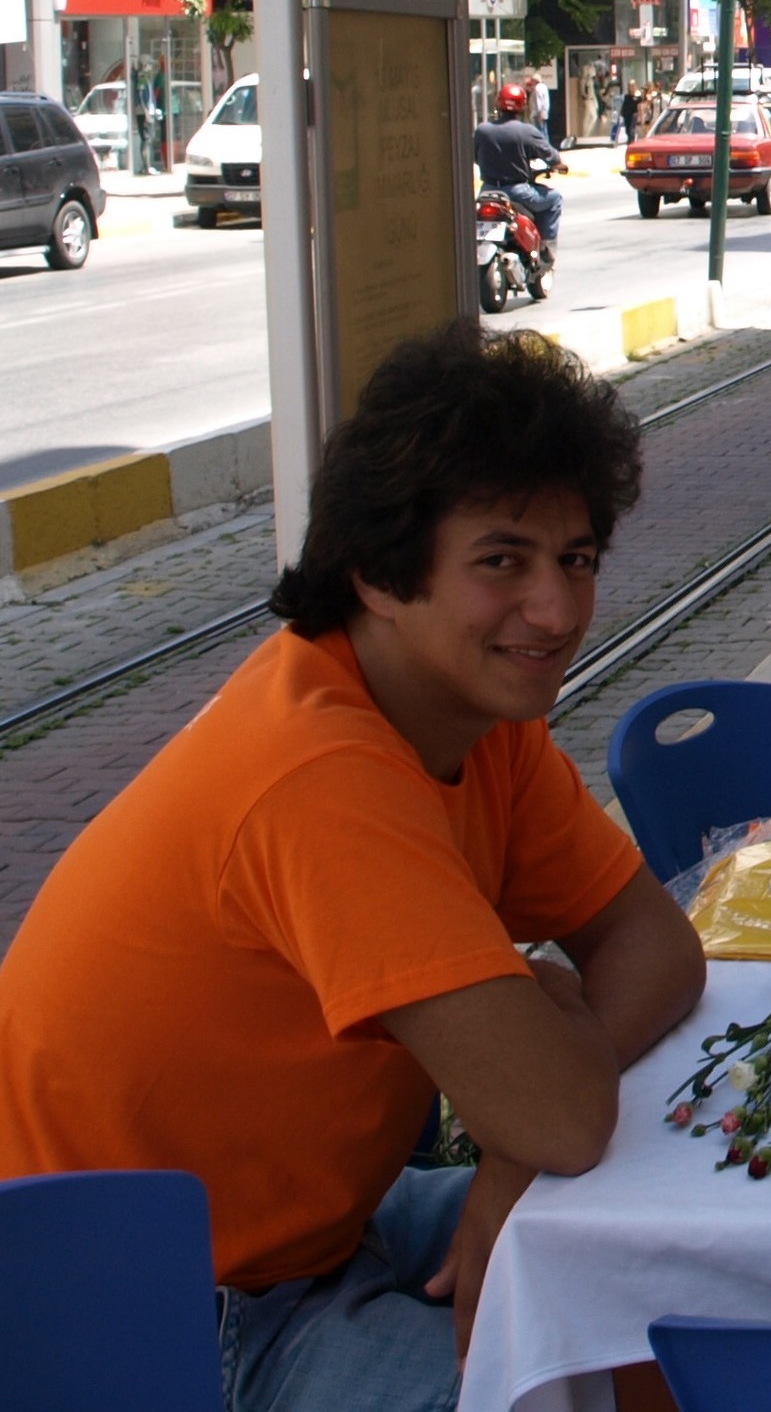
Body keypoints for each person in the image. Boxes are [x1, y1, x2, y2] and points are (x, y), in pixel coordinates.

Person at [0, 321, 706, 1412]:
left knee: (684, 1257)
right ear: (378, 572)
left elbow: (655, 949)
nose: (558, 610)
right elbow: (564, 1113)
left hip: (327, 1225)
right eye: (502, 561)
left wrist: (518, 1139)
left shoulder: (470, 716)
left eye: (575, 558)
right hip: (150, 1311)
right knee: (565, 1387)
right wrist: (534, 1090)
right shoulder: (321, 773)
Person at [476, 81, 564, 260]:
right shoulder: (526, 131)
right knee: (555, 199)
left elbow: (474, 156)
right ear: (522, 106)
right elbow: (552, 157)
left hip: (488, 190)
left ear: (498, 103)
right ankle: (546, 248)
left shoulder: (482, 130)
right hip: (518, 191)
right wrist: (561, 166)